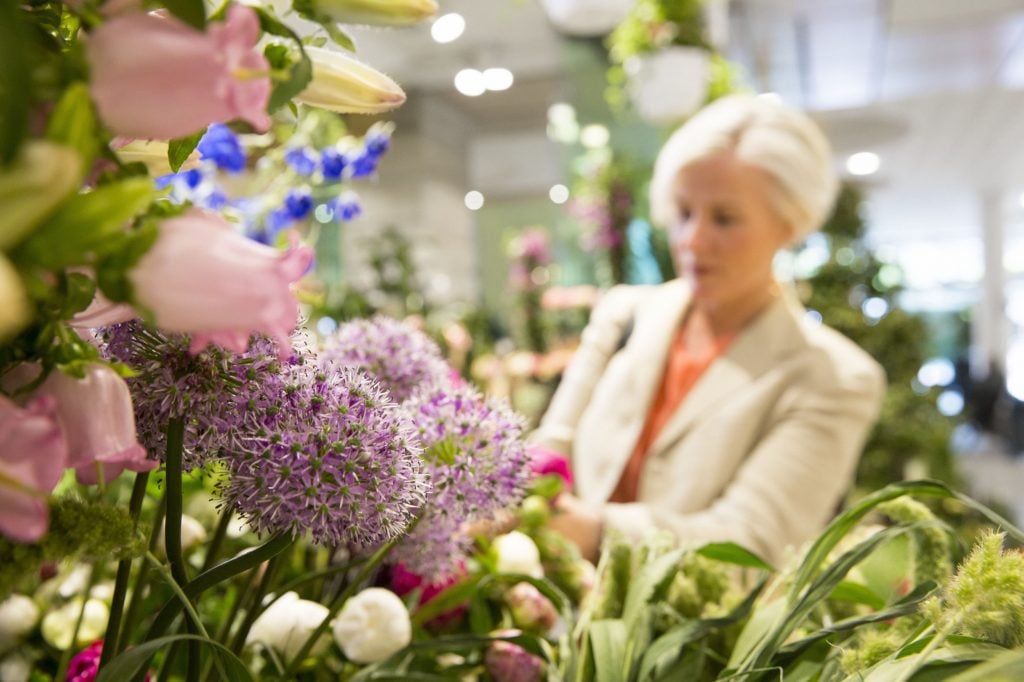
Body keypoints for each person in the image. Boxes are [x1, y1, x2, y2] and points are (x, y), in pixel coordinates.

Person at [533, 95, 886, 566]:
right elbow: (549, 449)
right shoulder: (624, 315)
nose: (692, 241)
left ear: (789, 223)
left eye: (724, 218)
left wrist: (593, 532)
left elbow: (750, 546)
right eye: (682, 212)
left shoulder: (833, 378)